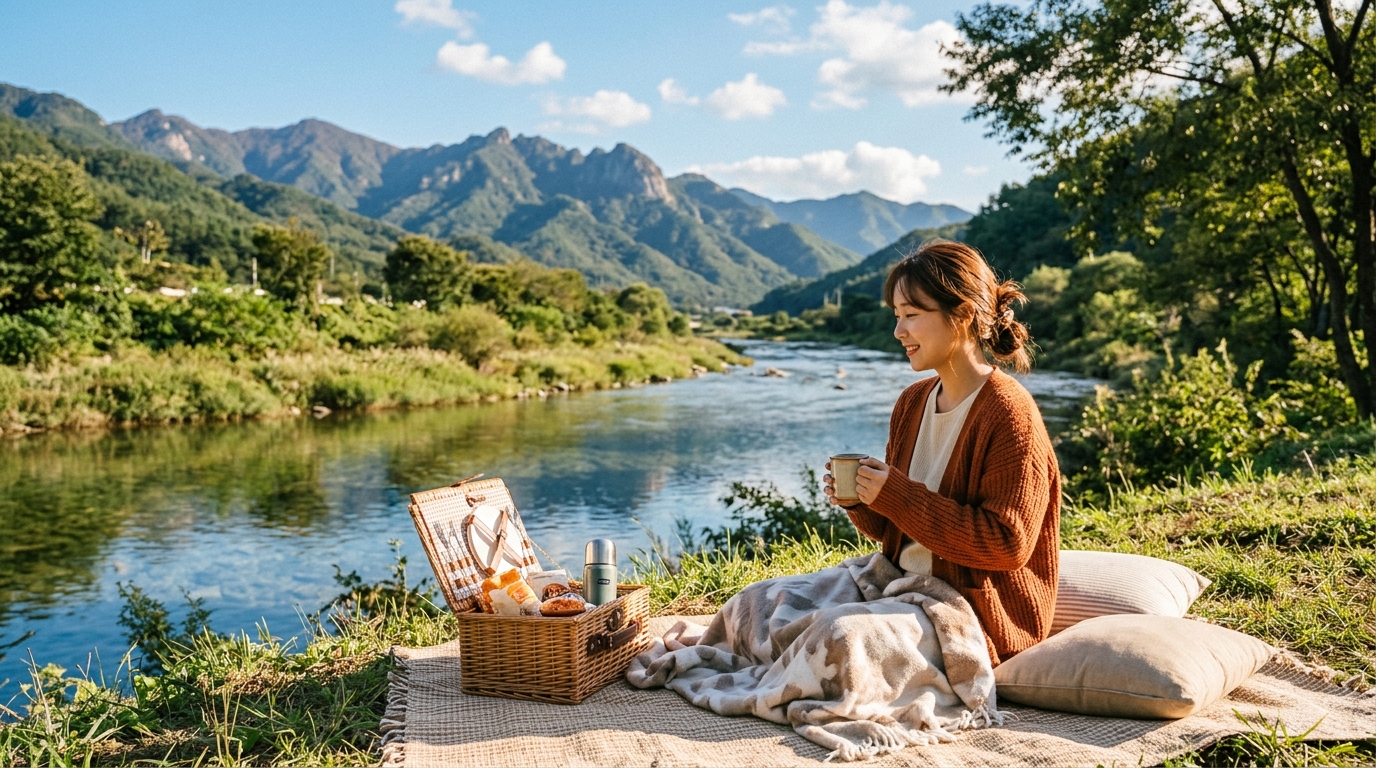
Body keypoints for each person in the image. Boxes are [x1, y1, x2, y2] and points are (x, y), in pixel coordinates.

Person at [824, 240, 1060, 665]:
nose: (899, 332)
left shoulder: (1009, 412)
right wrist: (861, 499)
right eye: (897, 317)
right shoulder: (912, 402)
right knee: (758, 603)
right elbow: (894, 531)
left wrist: (897, 493)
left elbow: (1008, 545)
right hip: (899, 586)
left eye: (912, 315)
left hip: (973, 613)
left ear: (964, 314)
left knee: (839, 639)